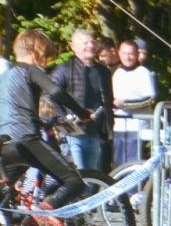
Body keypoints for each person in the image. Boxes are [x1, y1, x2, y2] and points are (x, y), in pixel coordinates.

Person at [0, 29, 93, 210]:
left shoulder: (4, 76)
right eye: (46, 55)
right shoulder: (30, 70)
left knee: (6, 192)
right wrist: (82, 113)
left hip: (4, 144)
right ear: (35, 51)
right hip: (26, 140)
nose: (46, 61)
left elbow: (13, 108)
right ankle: (41, 214)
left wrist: (41, 121)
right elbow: (56, 91)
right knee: (74, 182)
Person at [51, 28, 114, 174]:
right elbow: (49, 96)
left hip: (95, 133)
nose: (90, 45)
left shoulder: (103, 71)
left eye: (92, 41)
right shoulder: (64, 69)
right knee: (76, 176)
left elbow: (107, 103)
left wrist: (107, 131)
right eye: (85, 42)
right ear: (73, 47)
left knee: (93, 178)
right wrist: (64, 121)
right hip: (71, 133)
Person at [111, 39, 158, 165]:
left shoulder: (143, 73)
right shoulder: (117, 73)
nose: (128, 57)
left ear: (137, 54)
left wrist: (124, 104)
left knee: (132, 163)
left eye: (131, 53)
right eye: (125, 53)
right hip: (120, 126)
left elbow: (150, 98)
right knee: (119, 163)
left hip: (137, 126)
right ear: (119, 53)